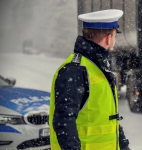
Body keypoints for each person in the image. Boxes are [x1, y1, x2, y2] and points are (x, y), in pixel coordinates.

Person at [49, 9, 130, 150]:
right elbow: (64, 121)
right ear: (108, 38)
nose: (114, 41)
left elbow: (109, 119)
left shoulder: (98, 66)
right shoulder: (74, 70)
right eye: (115, 36)